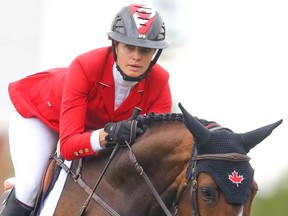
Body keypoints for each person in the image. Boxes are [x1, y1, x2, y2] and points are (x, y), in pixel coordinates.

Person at [0, 4, 172, 215]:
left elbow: (154, 146)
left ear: (154, 53)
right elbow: (69, 147)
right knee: (29, 188)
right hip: (41, 118)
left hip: (86, 129)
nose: (136, 56)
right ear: (115, 45)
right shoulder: (85, 66)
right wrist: (107, 135)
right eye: (129, 46)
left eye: (145, 50)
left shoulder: (160, 81)